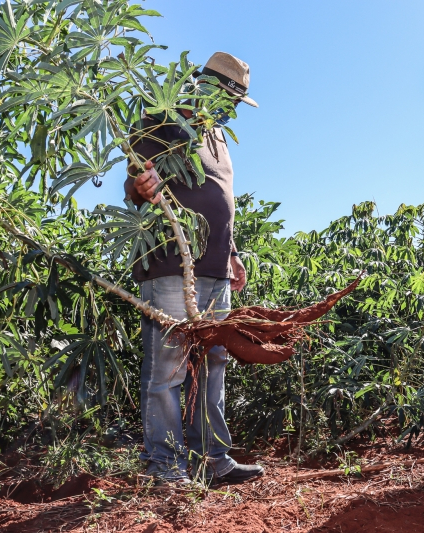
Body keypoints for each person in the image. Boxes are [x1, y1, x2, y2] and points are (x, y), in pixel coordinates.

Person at [124, 52, 264, 486]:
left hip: (216, 268)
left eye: (238, 100)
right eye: (228, 95)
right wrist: (139, 185)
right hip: (171, 261)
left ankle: (213, 459)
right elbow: (136, 180)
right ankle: (164, 467)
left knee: (213, 363)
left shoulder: (219, 135)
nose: (232, 107)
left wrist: (233, 253)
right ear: (203, 85)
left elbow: (219, 199)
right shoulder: (161, 117)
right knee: (167, 367)